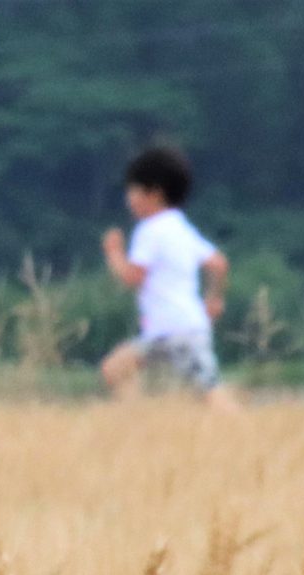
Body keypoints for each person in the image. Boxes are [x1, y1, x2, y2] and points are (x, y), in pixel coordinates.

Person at [99, 146, 234, 408]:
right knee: (114, 370)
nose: (129, 199)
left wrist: (114, 253)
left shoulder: (150, 230)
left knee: (210, 392)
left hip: (172, 329)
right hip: (178, 329)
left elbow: (133, 277)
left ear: (155, 193)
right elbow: (218, 264)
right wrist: (214, 300)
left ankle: (244, 431)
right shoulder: (180, 226)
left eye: (134, 190)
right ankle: (141, 424)